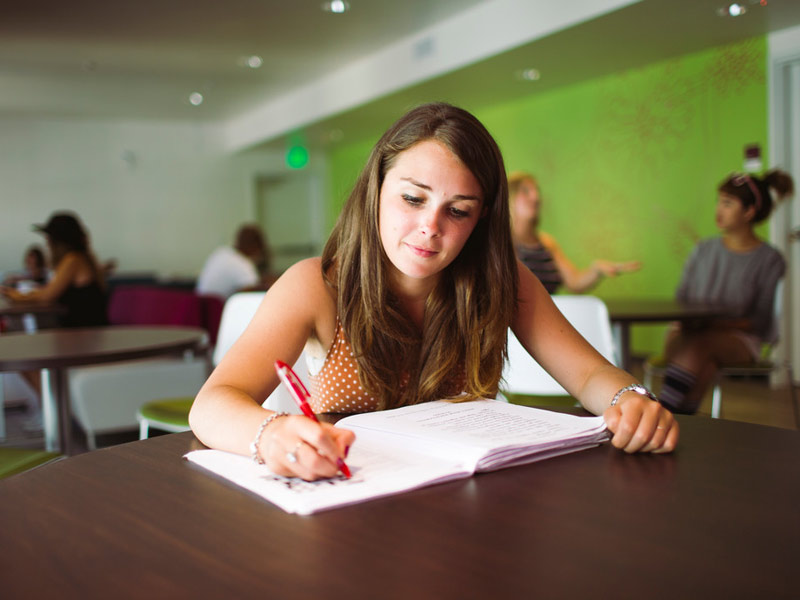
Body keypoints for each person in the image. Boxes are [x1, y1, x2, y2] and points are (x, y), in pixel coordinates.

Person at [189, 102, 678, 482]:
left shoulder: (501, 281)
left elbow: (591, 373)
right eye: (412, 198)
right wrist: (270, 433)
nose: (429, 228)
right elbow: (212, 405)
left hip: (461, 498)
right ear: (376, 186)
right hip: (349, 499)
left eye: (458, 210)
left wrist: (629, 397)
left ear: (481, 216)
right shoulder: (316, 285)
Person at [657, 170, 793, 414]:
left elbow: (760, 322)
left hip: (740, 341)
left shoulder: (770, 260)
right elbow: (681, 300)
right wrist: (692, 322)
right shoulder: (703, 250)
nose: (719, 210)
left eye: (728, 203)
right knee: (705, 361)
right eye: (719, 201)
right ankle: (678, 419)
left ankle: (663, 413)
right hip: (687, 333)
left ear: (749, 212)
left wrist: (714, 325)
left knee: (701, 345)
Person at [508, 171, 641, 293]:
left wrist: (596, 270)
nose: (535, 197)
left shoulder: (547, 243)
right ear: (509, 198)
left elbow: (574, 282)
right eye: (525, 191)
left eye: (536, 190)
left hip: (547, 317)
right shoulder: (503, 243)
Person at [0, 211, 108, 328]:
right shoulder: (82, 258)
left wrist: (12, 294)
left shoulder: (73, 260)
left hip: (84, 333)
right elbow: (48, 291)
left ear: (58, 241)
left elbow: (47, 296)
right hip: (86, 331)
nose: (46, 242)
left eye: (49, 237)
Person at [195, 224, 277, 299]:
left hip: (201, 310)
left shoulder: (221, 252)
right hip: (219, 311)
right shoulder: (243, 263)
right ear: (256, 246)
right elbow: (253, 291)